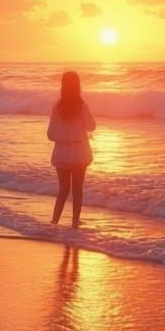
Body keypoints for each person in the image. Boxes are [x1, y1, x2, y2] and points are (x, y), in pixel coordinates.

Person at [47, 71, 96, 228]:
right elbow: (92, 126)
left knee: (63, 190)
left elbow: (50, 134)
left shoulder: (57, 108)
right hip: (79, 154)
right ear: (78, 86)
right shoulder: (82, 106)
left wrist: (63, 137)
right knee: (77, 190)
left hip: (61, 154)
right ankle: (75, 223)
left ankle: (54, 221)